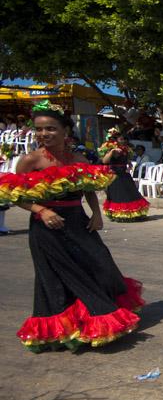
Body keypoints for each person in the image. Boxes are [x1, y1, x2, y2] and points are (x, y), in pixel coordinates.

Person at [0, 101, 143, 352]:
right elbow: (14, 195)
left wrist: (96, 214)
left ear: (66, 131)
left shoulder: (78, 158)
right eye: (40, 129)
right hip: (47, 229)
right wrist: (41, 210)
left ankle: (95, 316)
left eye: (51, 129)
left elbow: (88, 189)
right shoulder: (29, 160)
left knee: (101, 264)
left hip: (78, 221)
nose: (44, 134)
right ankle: (73, 328)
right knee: (59, 277)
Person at [99, 128, 150, 221]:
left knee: (131, 193)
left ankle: (134, 213)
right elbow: (104, 161)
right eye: (121, 139)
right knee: (119, 195)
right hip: (115, 175)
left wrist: (128, 163)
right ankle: (121, 214)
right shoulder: (110, 148)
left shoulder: (126, 149)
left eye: (124, 139)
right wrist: (111, 152)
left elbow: (125, 159)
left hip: (124, 174)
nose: (124, 141)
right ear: (116, 140)